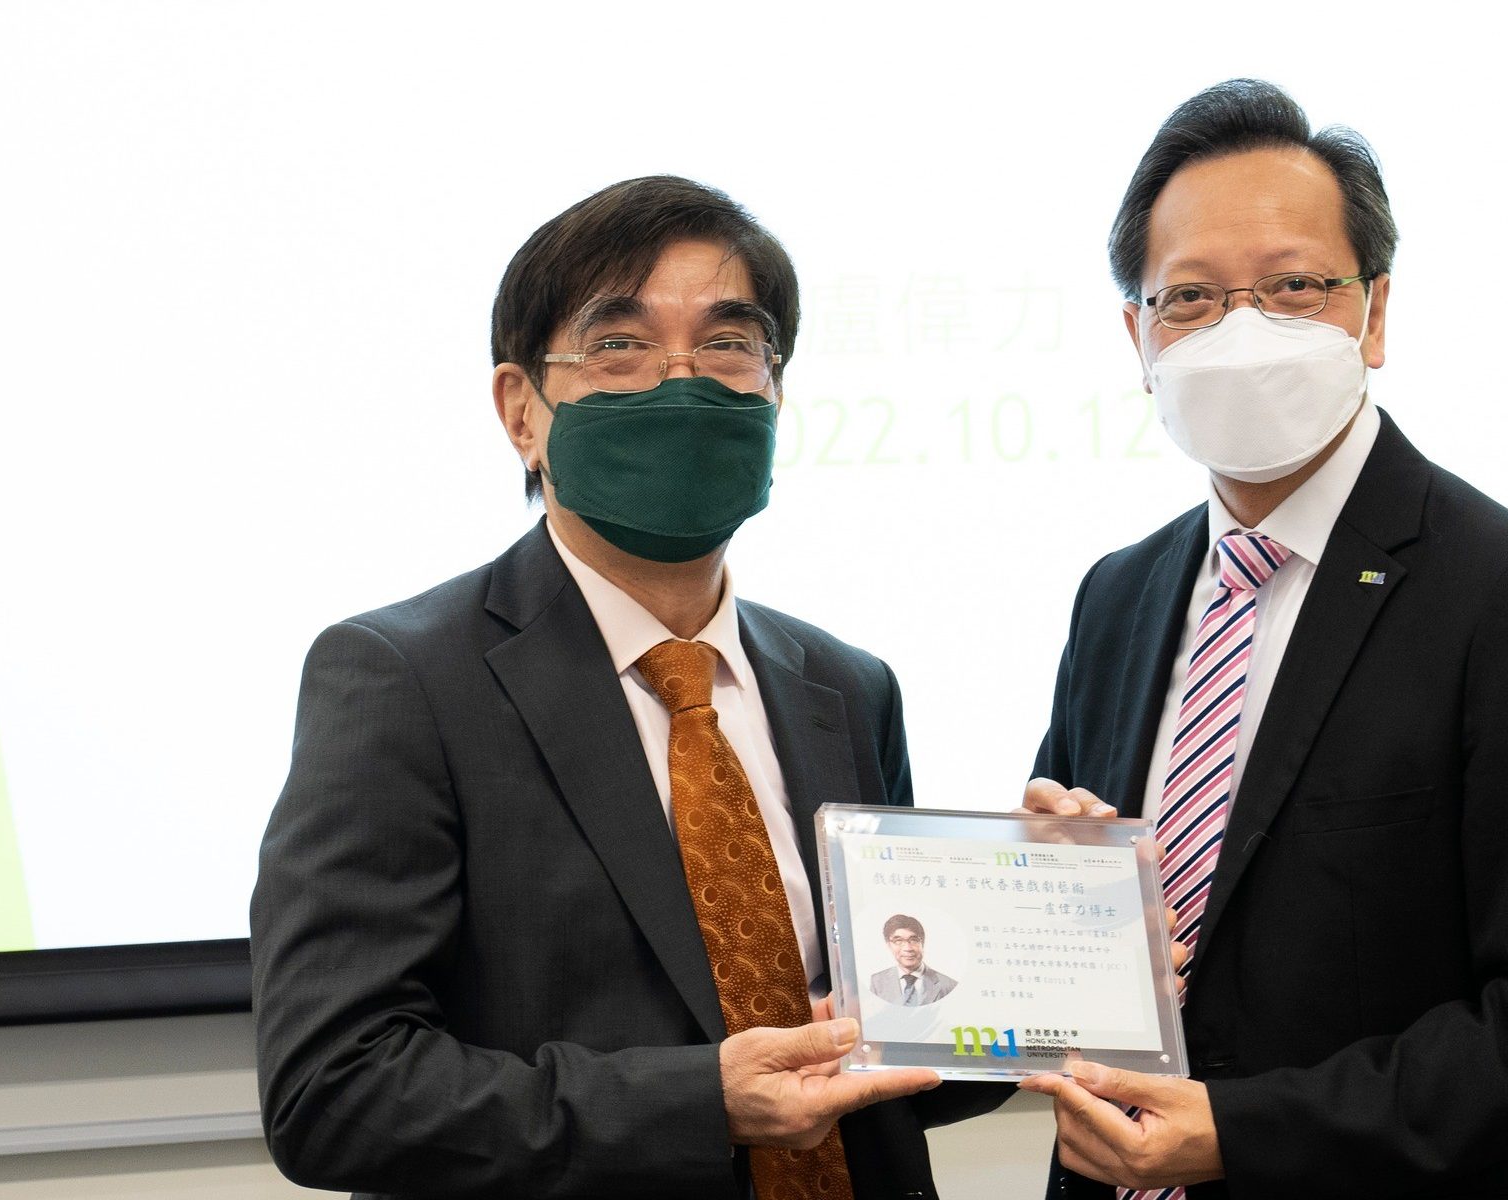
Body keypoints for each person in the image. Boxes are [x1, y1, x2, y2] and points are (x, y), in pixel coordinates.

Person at [250, 176, 1002, 1200]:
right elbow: (333, 1092)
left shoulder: (843, 685)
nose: (681, 385)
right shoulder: (401, 679)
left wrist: (1059, 981)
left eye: (728, 345)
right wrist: (701, 1102)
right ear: (521, 410)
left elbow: (893, 1058)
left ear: (775, 392)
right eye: (619, 346)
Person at [1017, 80, 1508, 1199]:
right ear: (1139, 336)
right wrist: (1052, 905)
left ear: (1372, 315)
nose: (1243, 332)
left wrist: (1240, 1132)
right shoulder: (1117, 597)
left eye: (1293, 288)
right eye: (1192, 298)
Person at [868, 914, 958, 1006]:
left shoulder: (949, 985)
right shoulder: (877, 982)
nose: (908, 948)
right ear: (889, 945)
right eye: (898, 941)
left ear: (922, 943)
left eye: (914, 940)